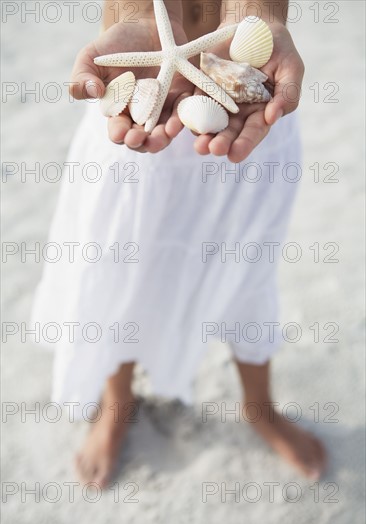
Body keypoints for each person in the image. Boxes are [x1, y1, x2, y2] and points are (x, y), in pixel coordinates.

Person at [32, 0, 327, 486]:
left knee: (247, 270)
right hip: (144, 102)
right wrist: (137, 19)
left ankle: (259, 407)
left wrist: (258, 17)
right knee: (121, 269)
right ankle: (117, 403)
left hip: (243, 104)